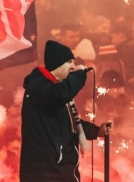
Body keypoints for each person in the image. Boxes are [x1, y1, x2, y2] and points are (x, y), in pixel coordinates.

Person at [20, 40, 103, 182]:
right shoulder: (39, 87)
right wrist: (80, 75)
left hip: (62, 172)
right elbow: (62, 94)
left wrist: (97, 131)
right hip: (44, 174)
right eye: (69, 62)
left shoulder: (53, 89)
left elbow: (68, 123)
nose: (73, 66)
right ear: (57, 64)